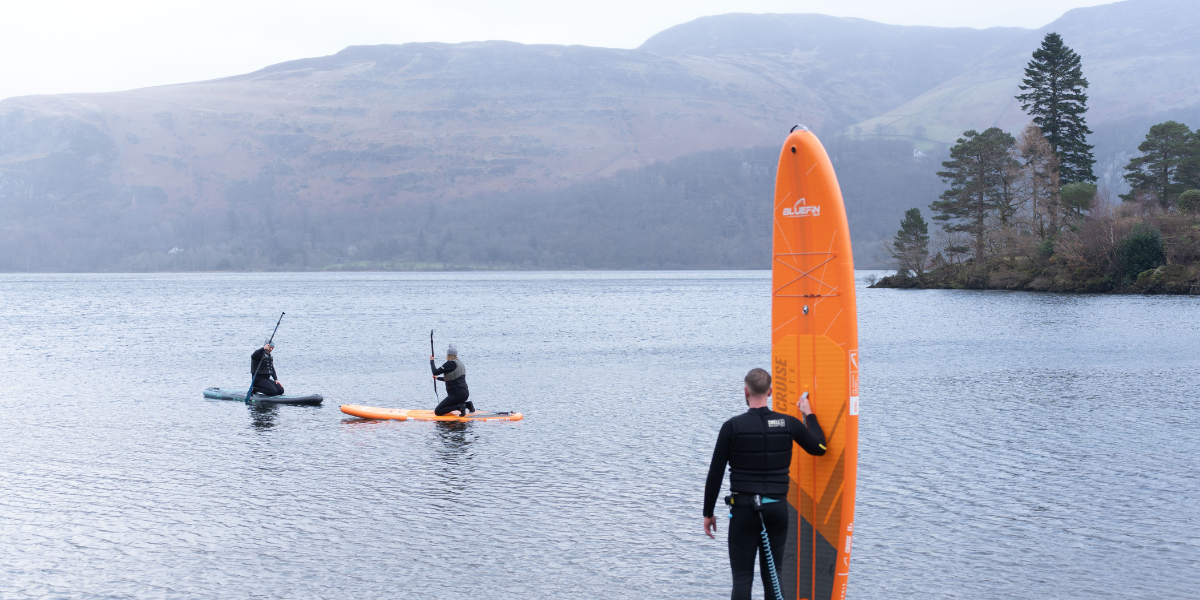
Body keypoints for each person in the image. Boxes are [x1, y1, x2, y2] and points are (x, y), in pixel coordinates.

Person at [703, 368, 827, 600]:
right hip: (777, 510)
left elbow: (715, 474)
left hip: (744, 511)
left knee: (742, 578)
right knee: (773, 575)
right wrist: (808, 415)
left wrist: (708, 513)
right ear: (770, 391)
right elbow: (820, 449)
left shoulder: (732, 427)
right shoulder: (789, 423)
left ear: (746, 391)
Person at [431, 343, 473, 416]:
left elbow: (435, 372)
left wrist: (432, 361)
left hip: (456, 395)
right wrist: (437, 378)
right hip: (465, 393)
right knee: (447, 406)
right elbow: (452, 379)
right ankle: (467, 405)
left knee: (438, 411)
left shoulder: (450, 364)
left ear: (448, 354)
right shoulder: (459, 363)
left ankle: (460, 407)